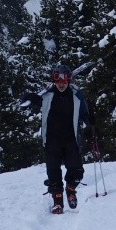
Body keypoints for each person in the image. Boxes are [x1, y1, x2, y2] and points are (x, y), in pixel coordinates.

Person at [27, 66, 93, 214]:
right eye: (58, 80)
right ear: (54, 80)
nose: (61, 84)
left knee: (76, 170)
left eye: (64, 80)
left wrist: (90, 120)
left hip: (71, 139)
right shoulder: (46, 96)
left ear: (68, 80)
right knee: (53, 171)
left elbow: (84, 113)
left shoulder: (77, 96)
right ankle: (58, 202)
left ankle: (70, 189)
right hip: (52, 140)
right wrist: (29, 97)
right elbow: (32, 104)